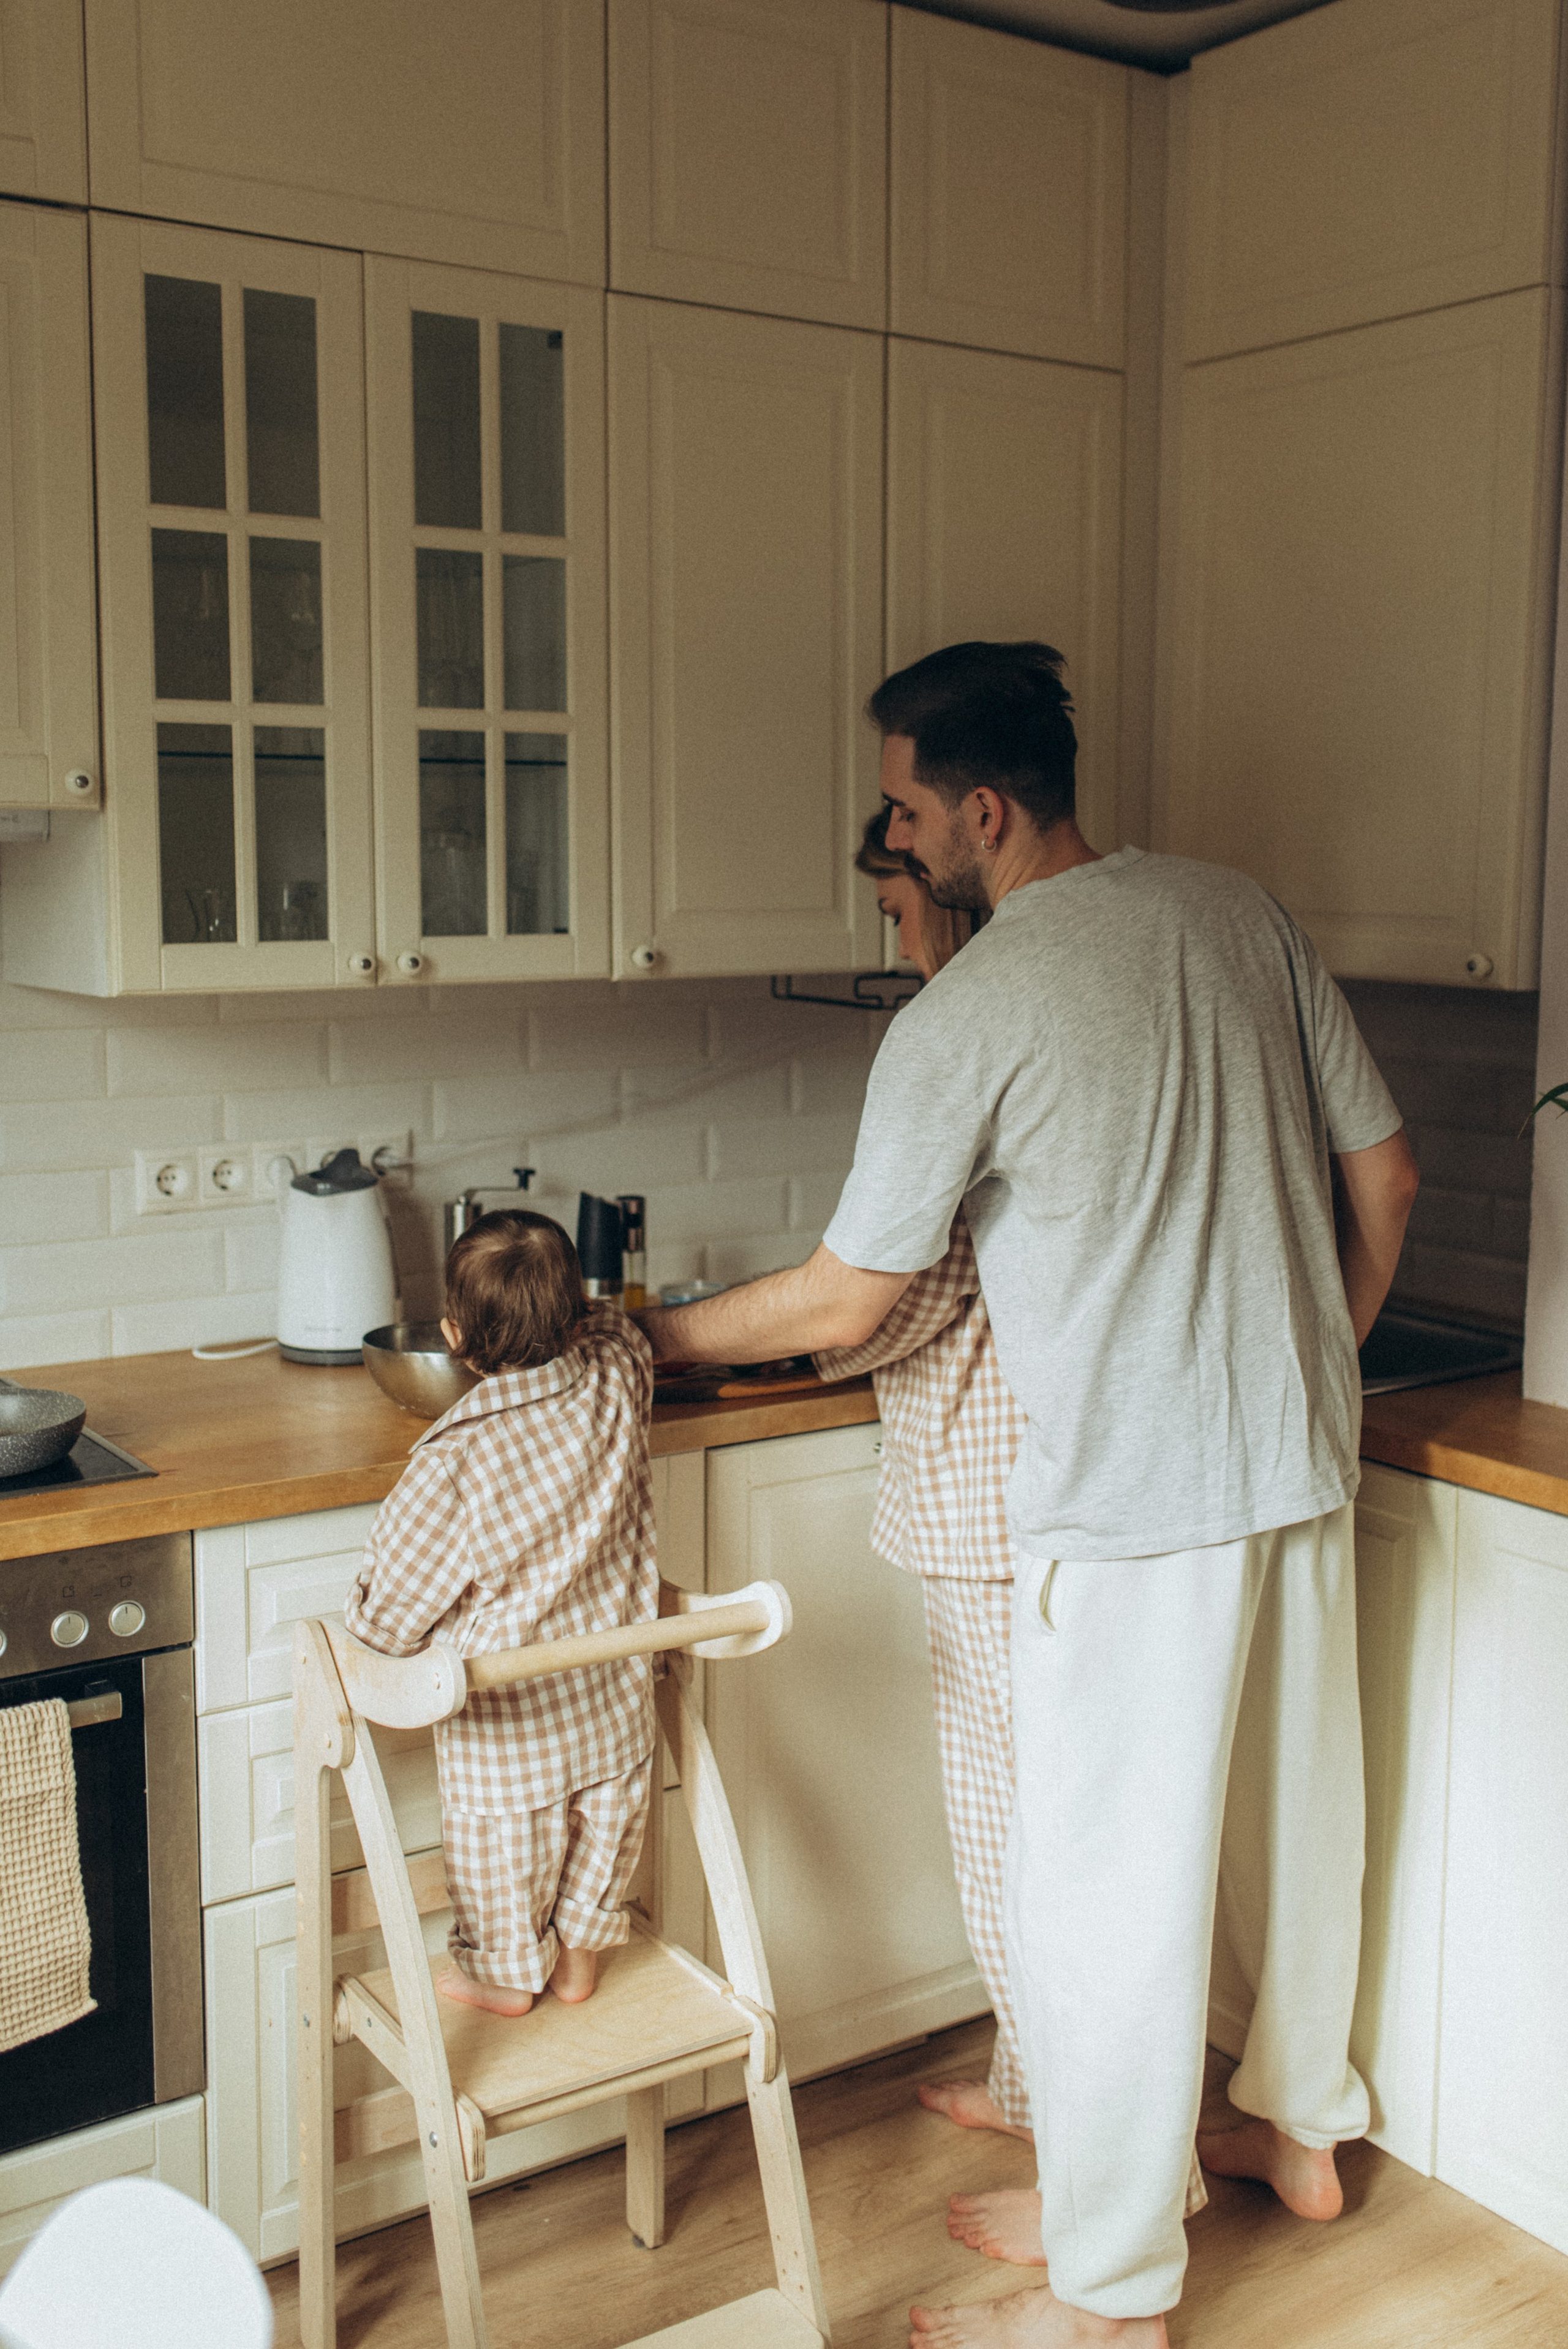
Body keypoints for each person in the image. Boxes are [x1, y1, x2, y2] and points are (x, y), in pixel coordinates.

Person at [638, 640, 1420, 2349]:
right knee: (1296, 1826)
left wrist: (652, 1333)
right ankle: (1298, 2133)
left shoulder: (970, 1014)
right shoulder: (1234, 911)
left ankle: (1113, 2298)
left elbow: (846, 1300)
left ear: (980, 811)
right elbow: (1386, 1173)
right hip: (1296, 1462)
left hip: (1131, 1511)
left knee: (1106, 1898)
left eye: (905, 808)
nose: (894, 835)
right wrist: (1318, 1369)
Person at [815, 809, 1033, 2145]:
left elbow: (888, 1296)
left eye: (898, 908)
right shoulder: (1053, 1006)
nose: (897, 943)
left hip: (985, 1502)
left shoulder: (959, 1033)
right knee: (1064, 1830)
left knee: (1014, 1836)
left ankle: (1065, 2131)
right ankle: (1034, 2092)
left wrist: (790, 1336)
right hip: (1053, 1496)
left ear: (947, 885)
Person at [345, 1209, 658, 2019]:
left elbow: (390, 1620)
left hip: (511, 1728)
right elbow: (621, 1330)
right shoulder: (616, 1375)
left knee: (505, 1846)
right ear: (577, 1312)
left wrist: (361, 1628)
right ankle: (579, 1958)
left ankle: (505, 1974)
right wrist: (577, 1310)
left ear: (454, 1337)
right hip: (613, 1701)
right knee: (604, 1826)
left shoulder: (455, 1461)